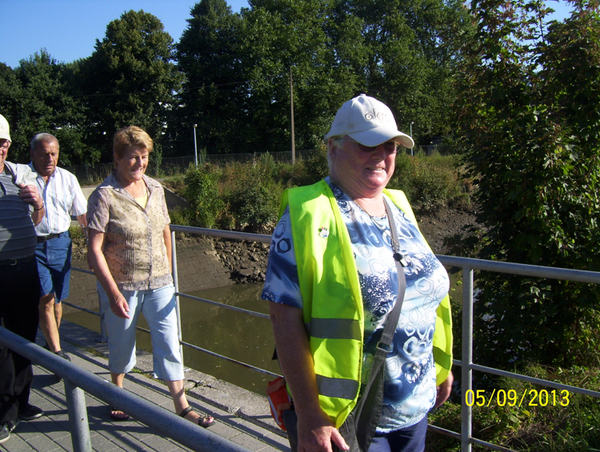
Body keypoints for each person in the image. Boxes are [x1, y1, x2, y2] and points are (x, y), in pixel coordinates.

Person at [262, 94, 453, 452]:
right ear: (334, 148)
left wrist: (440, 370)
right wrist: (309, 414)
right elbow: (283, 318)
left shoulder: (398, 204)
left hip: (416, 407)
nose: (381, 154)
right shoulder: (307, 214)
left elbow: (421, 290)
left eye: (390, 145)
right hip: (350, 418)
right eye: (367, 144)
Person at [86, 126, 215, 427]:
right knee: (120, 344)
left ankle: (181, 404)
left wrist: (169, 272)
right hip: (123, 285)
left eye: (144, 157)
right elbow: (94, 250)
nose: (139, 164)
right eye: (132, 158)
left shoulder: (156, 189)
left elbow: (165, 231)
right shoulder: (104, 196)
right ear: (117, 158)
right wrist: (113, 293)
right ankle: (117, 393)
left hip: (160, 284)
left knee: (170, 342)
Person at [0, 114, 46, 444]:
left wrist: (39, 205)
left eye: (2, 143)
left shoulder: (14, 176)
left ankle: (21, 401)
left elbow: (36, 219)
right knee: (2, 346)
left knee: (26, 337)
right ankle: (5, 412)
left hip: (26, 268)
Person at [30, 133, 87, 363]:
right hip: (33, 245)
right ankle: (56, 352)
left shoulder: (68, 179)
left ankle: (49, 338)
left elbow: (81, 214)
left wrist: (94, 244)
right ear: (33, 154)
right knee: (45, 298)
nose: (50, 158)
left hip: (61, 243)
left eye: (54, 153)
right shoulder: (22, 177)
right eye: (44, 153)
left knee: (57, 300)